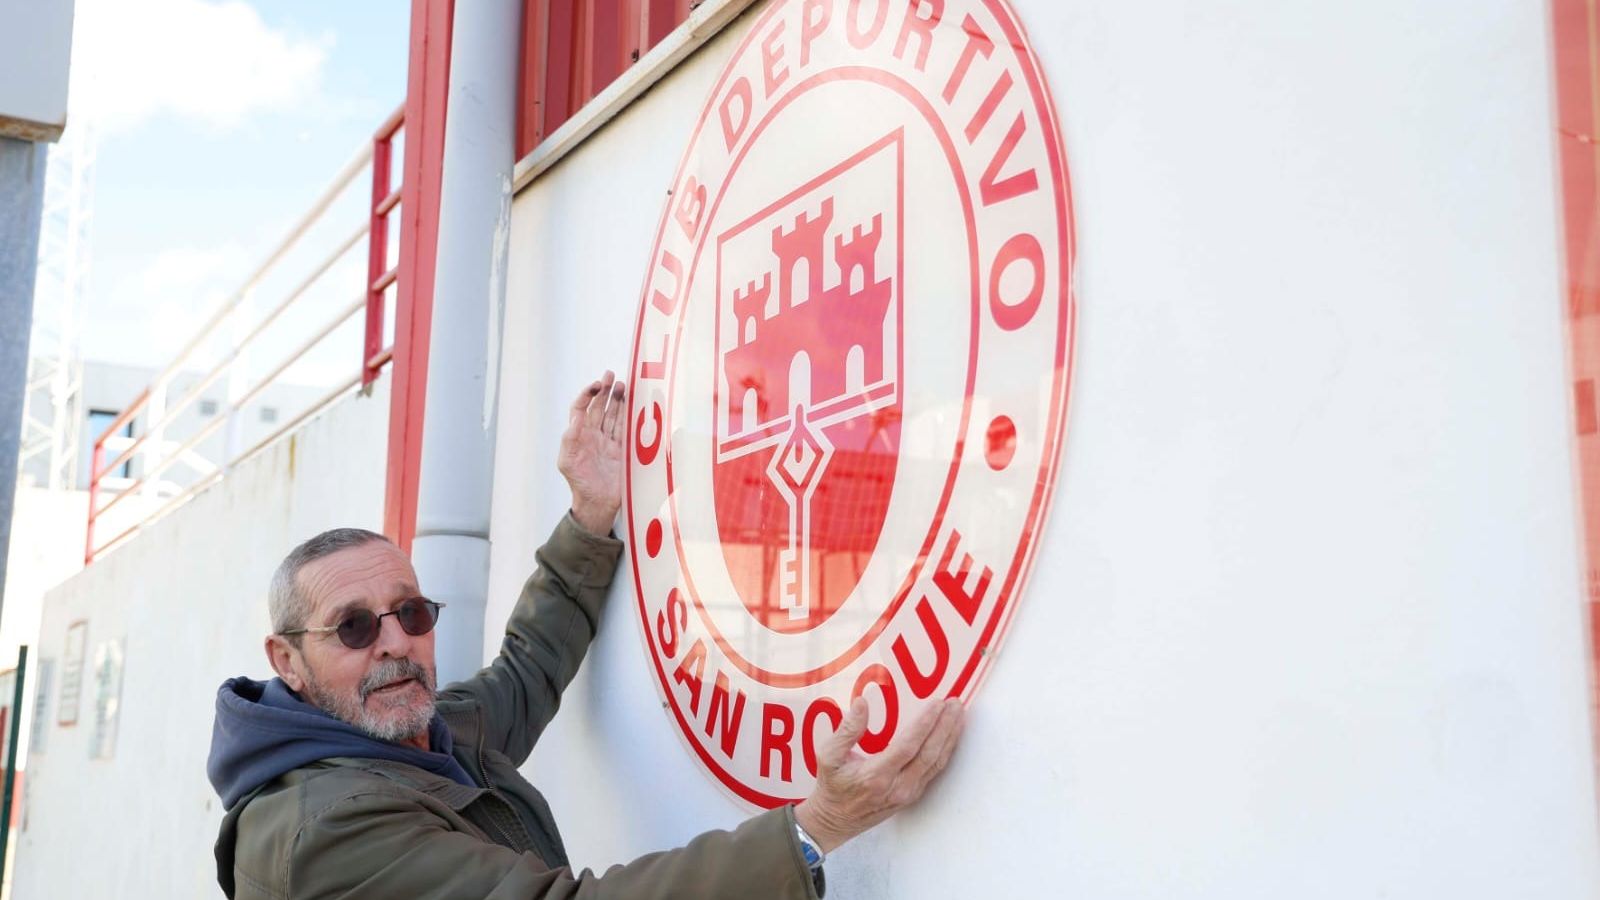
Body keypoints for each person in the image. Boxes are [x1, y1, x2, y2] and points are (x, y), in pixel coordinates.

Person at [207, 371, 965, 899]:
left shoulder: (417, 733)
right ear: (287, 660)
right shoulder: (327, 830)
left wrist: (588, 514)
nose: (394, 643)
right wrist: (817, 827)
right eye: (354, 627)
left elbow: (525, 671)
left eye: (410, 613)